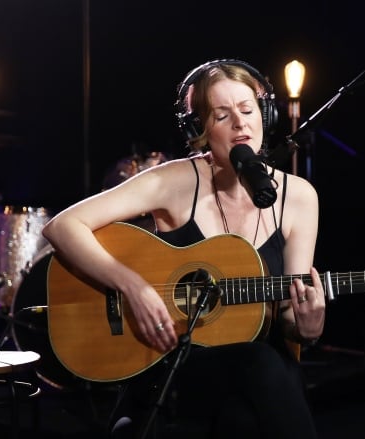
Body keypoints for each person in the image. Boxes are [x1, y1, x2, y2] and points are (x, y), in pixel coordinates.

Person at [41, 59, 326, 438]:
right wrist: (133, 286)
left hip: (261, 373)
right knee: (259, 365)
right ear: (201, 130)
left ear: (265, 116)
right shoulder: (174, 181)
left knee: (246, 409)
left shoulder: (299, 197)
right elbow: (62, 226)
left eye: (247, 110)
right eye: (222, 115)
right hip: (181, 361)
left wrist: (309, 326)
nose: (240, 124)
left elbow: (291, 315)